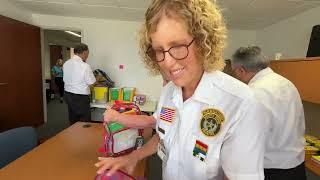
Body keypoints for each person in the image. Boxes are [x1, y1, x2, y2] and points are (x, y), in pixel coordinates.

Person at [95, 1, 270, 179]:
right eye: (159, 50)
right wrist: (133, 157)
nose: (168, 62)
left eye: (178, 46)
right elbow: (164, 135)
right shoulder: (169, 92)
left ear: (204, 42)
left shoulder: (240, 103)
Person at [230, 46, 306, 180]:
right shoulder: (287, 83)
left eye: (235, 73)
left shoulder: (253, 93)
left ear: (241, 70)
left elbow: (250, 140)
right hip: (297, 166)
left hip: (273, 170)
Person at [63, 43, 96, 125]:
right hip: (80, 97)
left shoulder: (66, 63)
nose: (87, 56)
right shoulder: (85, 66)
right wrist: (97, 78)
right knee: (84, 122)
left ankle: (73, 136)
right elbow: (92, 82)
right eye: (87, 54)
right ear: (84, 52)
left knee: (73, 119)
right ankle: (83, 137)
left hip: (68, 95)